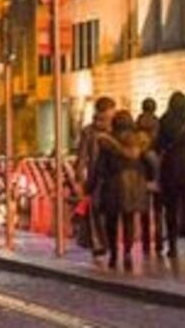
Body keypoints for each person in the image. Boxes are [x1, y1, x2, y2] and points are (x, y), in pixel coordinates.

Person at [88, 111, 151, 270]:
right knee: (129, 219)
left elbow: (100, 167)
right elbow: (148, 163)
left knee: (112, 220)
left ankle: (114, 253)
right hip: (135, 184)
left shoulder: (107, 142)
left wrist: (91, 185)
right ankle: (128, 252)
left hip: (113, 184)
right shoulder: (139, 142)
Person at [76, 96, 116, 258]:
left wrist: (80, 173)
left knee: (102, 211)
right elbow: (83, 155)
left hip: (103, 175)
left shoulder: (109, 129)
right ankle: (101, 242)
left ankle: (101, 242)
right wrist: (80, 175)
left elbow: (82, 155)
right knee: (98, 210)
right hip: (100, 176)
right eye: (111, 111)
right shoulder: (94, 131)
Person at [158, 91, 185, 257]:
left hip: (170, 170)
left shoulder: (165, 120)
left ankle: (172, 246)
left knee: (170, 209)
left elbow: (159, 144)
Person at [136, 98, 162, 255]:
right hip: (156, 173)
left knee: (144, 212)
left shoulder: (136, 123)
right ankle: (158, 243)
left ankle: (146, 244)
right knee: (158, 211)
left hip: (141, 173)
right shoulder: (159, 123)